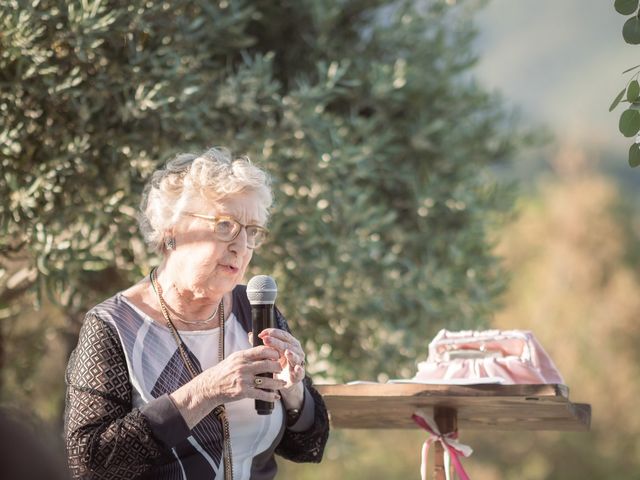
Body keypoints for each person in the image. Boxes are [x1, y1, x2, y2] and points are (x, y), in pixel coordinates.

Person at [64, 147, 329, 479]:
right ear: (172, 231)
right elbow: (89, 462)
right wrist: (206, 391)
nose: (241, 246)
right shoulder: (114, 326)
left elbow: (308, 445)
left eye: (252, 232)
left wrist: (294, 392)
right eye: (225, 226)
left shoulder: (255, 311)